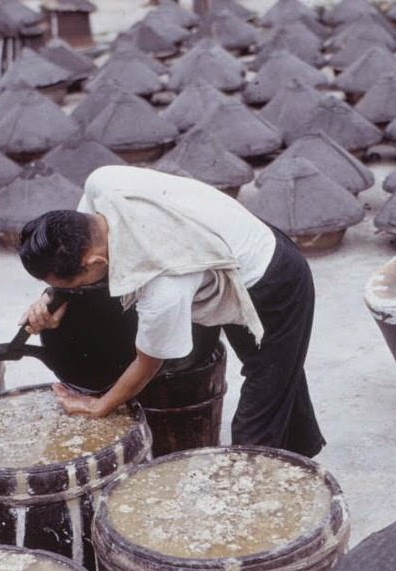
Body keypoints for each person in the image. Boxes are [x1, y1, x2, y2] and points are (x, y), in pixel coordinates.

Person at [18, 165, 325, 458]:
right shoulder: (102, 183)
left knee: (259, 408)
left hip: (270, 281)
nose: (70, 288)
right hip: (225, 246)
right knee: (279, 370)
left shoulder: (162, 283)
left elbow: (148, 363)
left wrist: (99, 406)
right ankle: (300, 451)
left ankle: (263, 489)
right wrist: (51, 296)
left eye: (71, 282)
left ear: (95, 264)